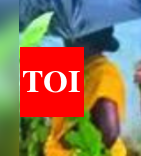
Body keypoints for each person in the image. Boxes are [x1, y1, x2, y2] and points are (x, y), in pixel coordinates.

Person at [45, 28, 126, 156]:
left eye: (71, 37)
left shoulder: (104, 73)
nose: (66, 41)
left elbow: (109, 133)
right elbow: (53, 124)